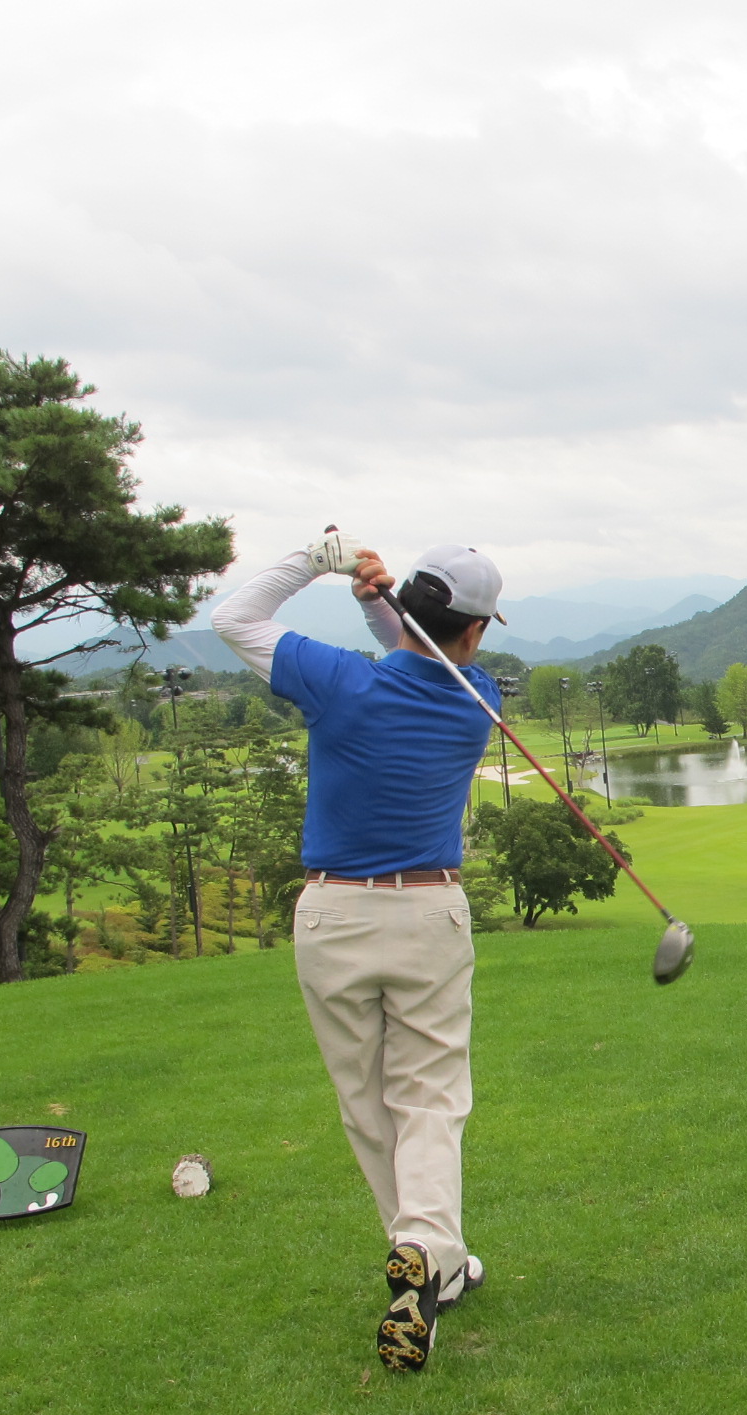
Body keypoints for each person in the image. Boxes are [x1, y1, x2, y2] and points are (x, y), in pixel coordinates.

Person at [213, 533, 507, 1371]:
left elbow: (234, 617)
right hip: (429, 913)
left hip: (333, 915)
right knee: (429, 1099)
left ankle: (424, 1258)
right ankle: (429, 1253)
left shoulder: (338, 683)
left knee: (366, 1100)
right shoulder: (477, 700)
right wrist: (383, 608)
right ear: (476, 631)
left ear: (410, 608)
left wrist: (321, 561)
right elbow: (428, 660)